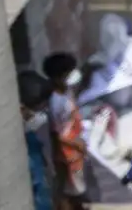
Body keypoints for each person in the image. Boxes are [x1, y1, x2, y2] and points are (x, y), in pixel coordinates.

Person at [43, 51, 89, 210]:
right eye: (68, 73)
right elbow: (58, 133)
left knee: (74, 185)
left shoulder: (66, 92)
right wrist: (77, 145)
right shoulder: (56, 102)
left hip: (74, 145)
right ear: (57, 78)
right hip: (68, 151)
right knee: (71, 188)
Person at [17, 69, 56, 210]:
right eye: (39, 109)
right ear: (21, 109)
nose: (42, 114)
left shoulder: (30, 136)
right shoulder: (16, 149)